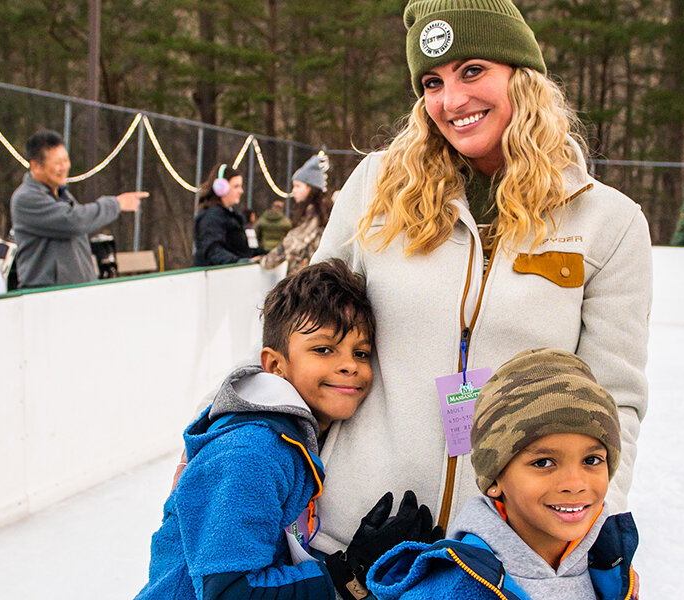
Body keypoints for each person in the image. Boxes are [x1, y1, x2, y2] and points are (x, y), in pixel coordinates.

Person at [307, 0, 653, 561]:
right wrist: (232, 434)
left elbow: (615, 398)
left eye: (473, 71)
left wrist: (593, 521)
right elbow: (303, 329)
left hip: (507, 552)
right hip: (356, 533)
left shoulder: (607, 222)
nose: (452, 100)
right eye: (433, 82)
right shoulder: (376, 186)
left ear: (523, 76)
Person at [135, 259, 439, 600]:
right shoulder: (251, 452)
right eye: (324, 349)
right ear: (276, 365)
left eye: (362, 352)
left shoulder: (293, 441)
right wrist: (349, 573)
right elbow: (229, 593)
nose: (349, 365)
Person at [367, 348, 638, 600]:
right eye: (544, 463)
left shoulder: (611, 569)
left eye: (591, 460)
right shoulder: (453, 588)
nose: (574, 484)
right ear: (495, 478)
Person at [10, 130, 147, 288]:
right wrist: (116, 204)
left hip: (75, 290)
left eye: (66, 160)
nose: (64, 167)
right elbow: (74, 221)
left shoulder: (62, 194)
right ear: (36, 166)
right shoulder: (26, 199)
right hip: (47, 294)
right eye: (57, 162)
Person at [259, 154, 332, 275]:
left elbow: (294, 242)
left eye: (298, 186)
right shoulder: (322, 210)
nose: (294, 191)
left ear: (311, 188)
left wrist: (267, 261)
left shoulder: (315, 211)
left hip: (310, 276)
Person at [193, 164, 263, 266]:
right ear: (221, 188)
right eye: (236, 186)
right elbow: (212, 249)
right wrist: (237, 262)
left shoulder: (232, 215)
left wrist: (268, 254)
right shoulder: (212, 217)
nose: (241, 191)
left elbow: (243, 250)